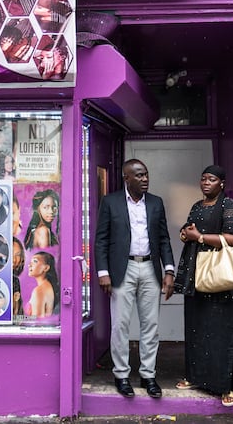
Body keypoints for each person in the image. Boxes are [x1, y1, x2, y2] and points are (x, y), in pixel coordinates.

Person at [94, 158, 176, 399]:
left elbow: (163, 239)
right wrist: (103, 272)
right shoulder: (110, 202)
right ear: (126, 178)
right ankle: (121, 375)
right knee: (120, 325)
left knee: (150, 325)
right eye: (139, 175)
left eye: (146, 174)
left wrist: (169, 270)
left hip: (150, 268)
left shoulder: (156, 203)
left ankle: (148, 375)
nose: (145, 179)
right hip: (122, 270)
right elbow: (101, 240)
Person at [174, 165, 233, 408]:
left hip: (221, 279)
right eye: (203, 178)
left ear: (222, 183)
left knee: (222, 333)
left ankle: (226, 387)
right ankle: (196, 378)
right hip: (196, 276)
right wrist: (186, 234)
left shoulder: (230, 206)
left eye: (212, 179)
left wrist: (201, 238)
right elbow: (189, 229)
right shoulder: (197, 206)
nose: (206, 183)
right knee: (197, 329)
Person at [26, 251, 59, 318]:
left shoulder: (39, 291)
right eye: (31, 261)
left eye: (35, 261)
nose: (29, 265)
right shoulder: (47, 286)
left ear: (46, 268)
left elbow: (38, 321)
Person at [12, 237, 25, 317]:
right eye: (10, 253)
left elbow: (17, 316)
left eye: (18, 255)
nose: (14, 259)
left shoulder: (15, 280)